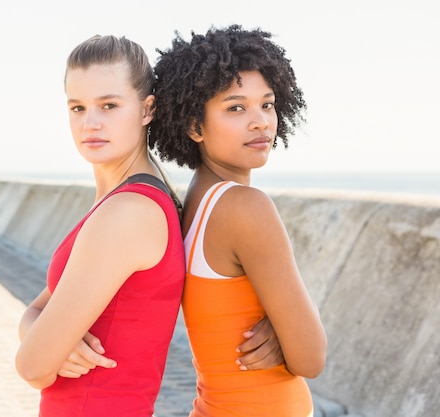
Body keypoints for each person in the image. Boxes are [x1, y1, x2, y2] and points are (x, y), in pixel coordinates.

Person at [15, 34, 285, 417]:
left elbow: (32, 366)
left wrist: (44, 342)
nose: (90, 123)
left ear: (147, 109)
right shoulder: (132, 200)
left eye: (109, 105)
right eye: (77, 107)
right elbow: (38, 312)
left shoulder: (129, 212)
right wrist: (39, 332)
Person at [149, 25, 327, 417]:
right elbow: (311, 357)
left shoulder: (193, 202)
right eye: (236, 107)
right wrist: (289, 331)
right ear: (195, 126)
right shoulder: (246, 207)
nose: (260, 121)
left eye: (267, 103)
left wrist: (286, 330)